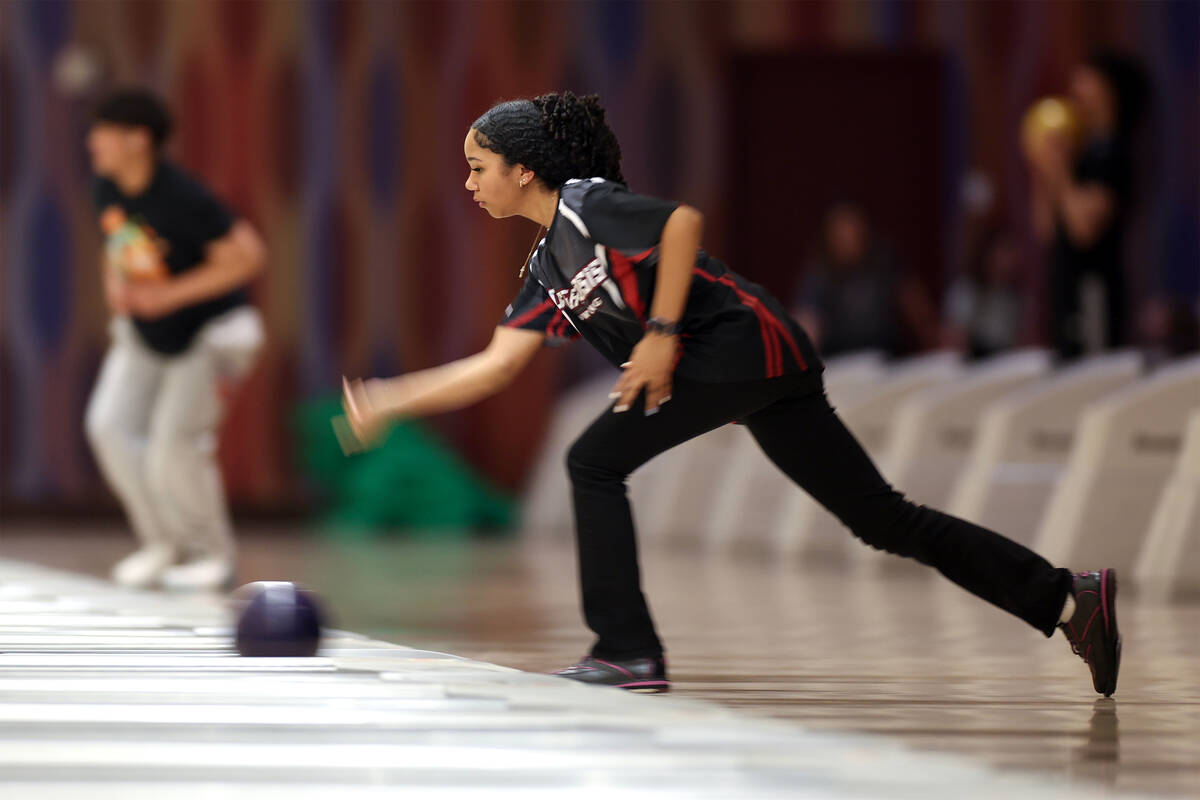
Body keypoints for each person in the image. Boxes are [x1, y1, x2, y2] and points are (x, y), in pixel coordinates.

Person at [342, 92, 1120, 696]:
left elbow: (680, 223)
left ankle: (626, 652)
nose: (469, 182)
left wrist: (659, 333)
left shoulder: (586, 201)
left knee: (592, 461)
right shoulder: (547, 267)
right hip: (746, 372)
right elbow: (494, 366)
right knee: (883, 519)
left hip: (743, 347)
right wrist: (389, 400)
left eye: (479, 166)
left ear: (522, 168)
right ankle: (1067, 599)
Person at [84, 89, 266, 591]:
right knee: (109, 426)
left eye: (102, 131)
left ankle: (212, 554)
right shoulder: (106, 187)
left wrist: (171, 295)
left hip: (210, 333)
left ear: (137, 140)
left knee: (174, 444)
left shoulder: (183, 198)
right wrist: (116, 287)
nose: (91, 141)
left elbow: (248, 255)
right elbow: (114, 244)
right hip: (147, 334)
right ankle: (164, 544)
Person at [1026, 50, 1149, 360]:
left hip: (1094, 298)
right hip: (1066, 296)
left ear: (1110, 93)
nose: (1075, 90)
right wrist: (1044, 171)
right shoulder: (1082, 154)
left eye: (1086, 81)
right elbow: (1047, 229)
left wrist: (1062, 171)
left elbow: (1084, 230)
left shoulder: (1114, 157)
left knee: (1092, 383)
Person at [792, 202, 937, 357]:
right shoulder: (820, 274)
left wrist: (933, 334)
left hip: (886, 359)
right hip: (841, 361)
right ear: (829, 238)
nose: (848, 241)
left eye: (853, 233)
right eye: (841, 236)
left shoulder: (884, 262)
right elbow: (807, 321)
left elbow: (914, 303)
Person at [942, 225, 1026, 360]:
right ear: (987, 253)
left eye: (1011, 253)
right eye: (1003, 252)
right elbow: (953, 342)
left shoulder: (1013, 297)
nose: (1007, 261)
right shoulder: (967, 291)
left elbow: (1020, 345)